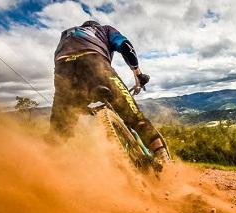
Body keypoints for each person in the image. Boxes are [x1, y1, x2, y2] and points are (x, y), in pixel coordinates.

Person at [48, 20, 171, 166]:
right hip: (94, 63)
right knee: (136, 118)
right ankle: (165, 162)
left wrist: (78, 105)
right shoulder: (104, 30)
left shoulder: (66, 34)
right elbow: (125, 46)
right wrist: (138, 74)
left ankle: (44, 169)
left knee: (58, 134)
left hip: (62, 71)